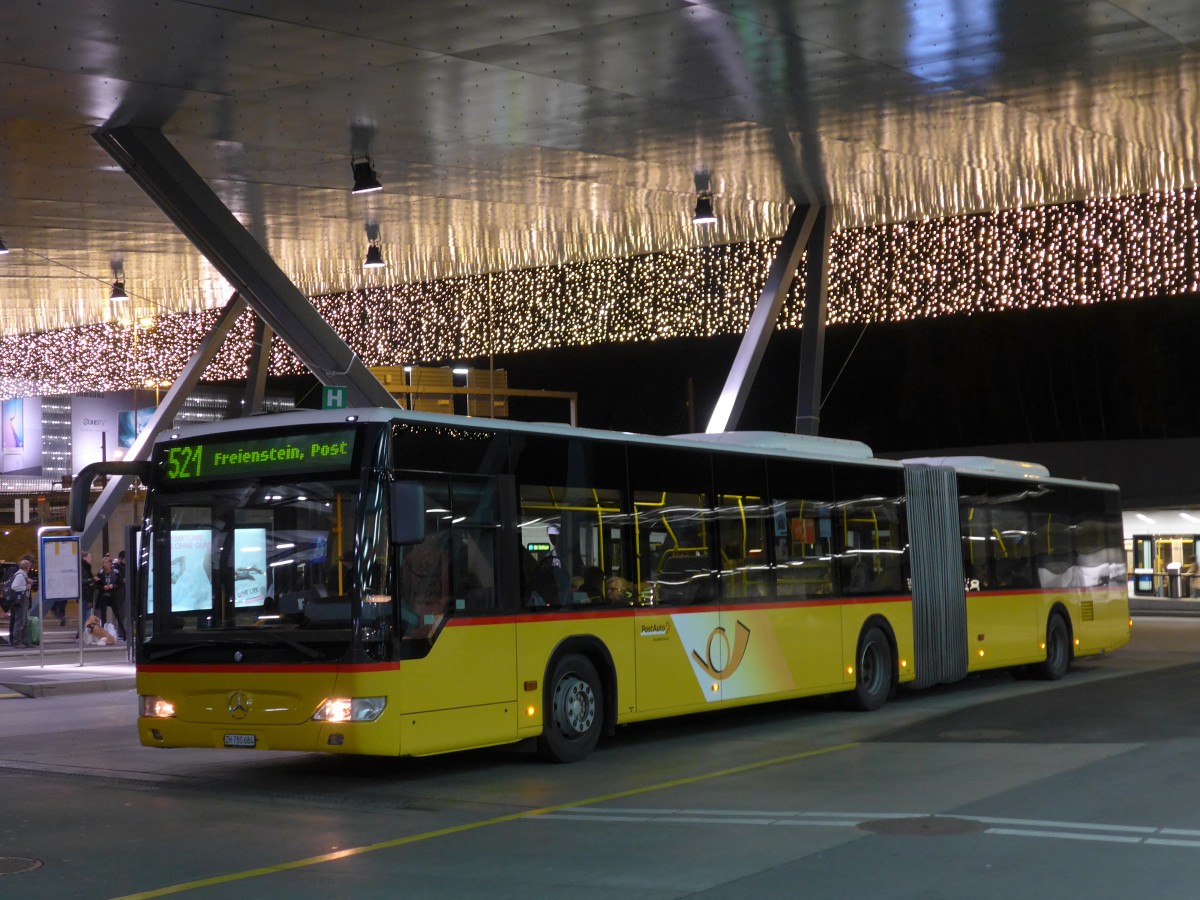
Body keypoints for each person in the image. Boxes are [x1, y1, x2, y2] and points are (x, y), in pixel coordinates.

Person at [94, 555, 127, 641]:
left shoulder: (116, 572)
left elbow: (120, 583)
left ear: (110, 564)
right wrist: (102, 587)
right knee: (103, 616)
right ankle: (104, 635)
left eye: (106, 563)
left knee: (118, 615)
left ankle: (124, 635)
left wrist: (113, 586)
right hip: (104, 595)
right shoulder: (101, 572)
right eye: (103, 563)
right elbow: (97, 584)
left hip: (113, 595)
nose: (104, 564)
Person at [6, 556, 35, 648]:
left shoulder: (21, 575)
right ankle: (17, 642)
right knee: (20, 622)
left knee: (24, 622)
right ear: (28, 566)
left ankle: (25, 641)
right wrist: (26, 587)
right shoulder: (20, 576)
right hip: (21, 601)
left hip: (21, 601)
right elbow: (14, 587)